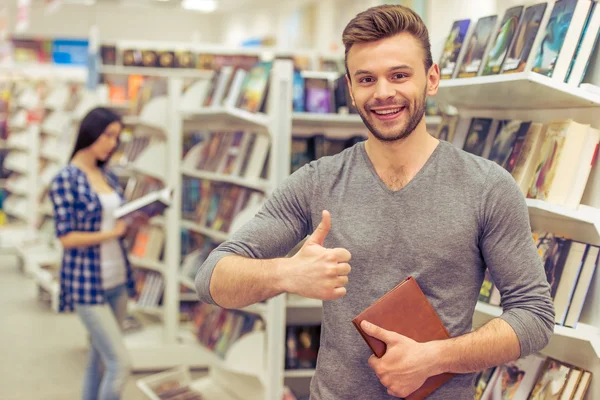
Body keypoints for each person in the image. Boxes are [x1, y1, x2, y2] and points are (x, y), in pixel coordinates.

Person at [195, 5, 554, 399]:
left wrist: (433, 358)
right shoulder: (318, 181)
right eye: (367, 79)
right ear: (350, 89)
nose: (383, 93)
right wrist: (285, 274)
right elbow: (211, 278)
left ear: (431, 79)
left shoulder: (487, 186)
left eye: (399, 75)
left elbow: (534, 316)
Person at [49, 107, 137, 400]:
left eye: (117, 137)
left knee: (98, 359)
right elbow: (66, 237)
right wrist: (111, 233)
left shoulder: (108, 176)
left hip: (118, 278)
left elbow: (117, 219)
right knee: (120, 363)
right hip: (86, 284)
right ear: (90, 132)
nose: (113, 143)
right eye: (108, 135)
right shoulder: (66, 179)